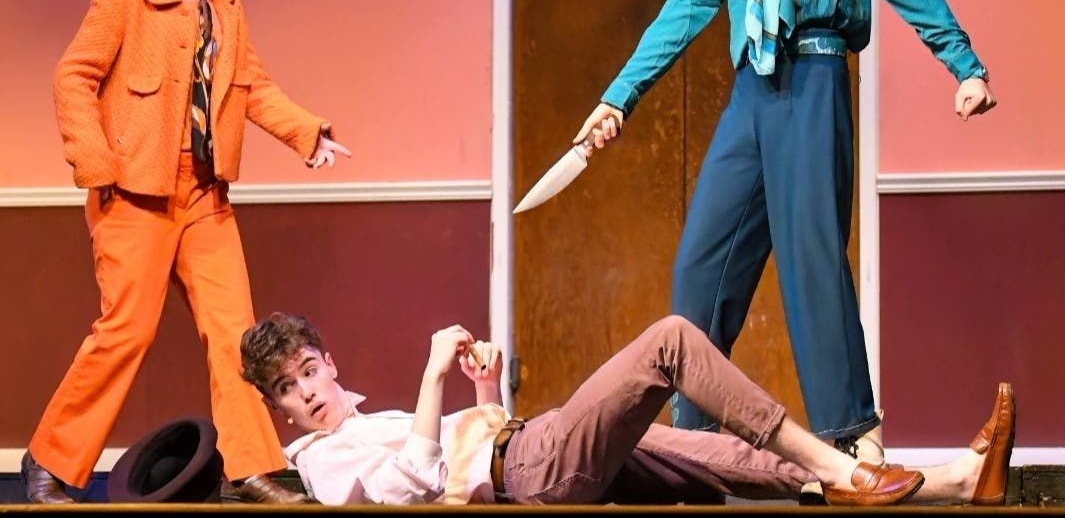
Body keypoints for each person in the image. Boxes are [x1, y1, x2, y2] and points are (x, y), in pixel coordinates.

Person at [573, 0, 996, 454]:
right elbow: (682, 10)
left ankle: (852, 440)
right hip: (751, 93)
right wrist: (619, 96)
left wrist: (963, 64)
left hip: (813, 81)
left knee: (809, 261)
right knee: (700, 265)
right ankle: (695, 441)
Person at [21, 0, 351, 505]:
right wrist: (97, 164)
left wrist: (308, 134)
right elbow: (73, 77)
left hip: (205, 194)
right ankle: (52, 464)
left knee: (238, 335)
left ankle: (251, 468)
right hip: (135, 193)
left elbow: (251, 86)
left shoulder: (226, 5)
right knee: (126, 332)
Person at [239, 312, 1013, 507]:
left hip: (527, 446)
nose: (306, 390)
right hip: (532, 468)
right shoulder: (323, 459)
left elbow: (469, 451)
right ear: (279, 408)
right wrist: (432, 377)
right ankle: (845, 468)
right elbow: (415, 487)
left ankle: (955, 478)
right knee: (669, 340)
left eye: (308, 369)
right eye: (287, 387)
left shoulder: (366, 418)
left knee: (721, 453)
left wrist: (482, 385)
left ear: (328, 361)